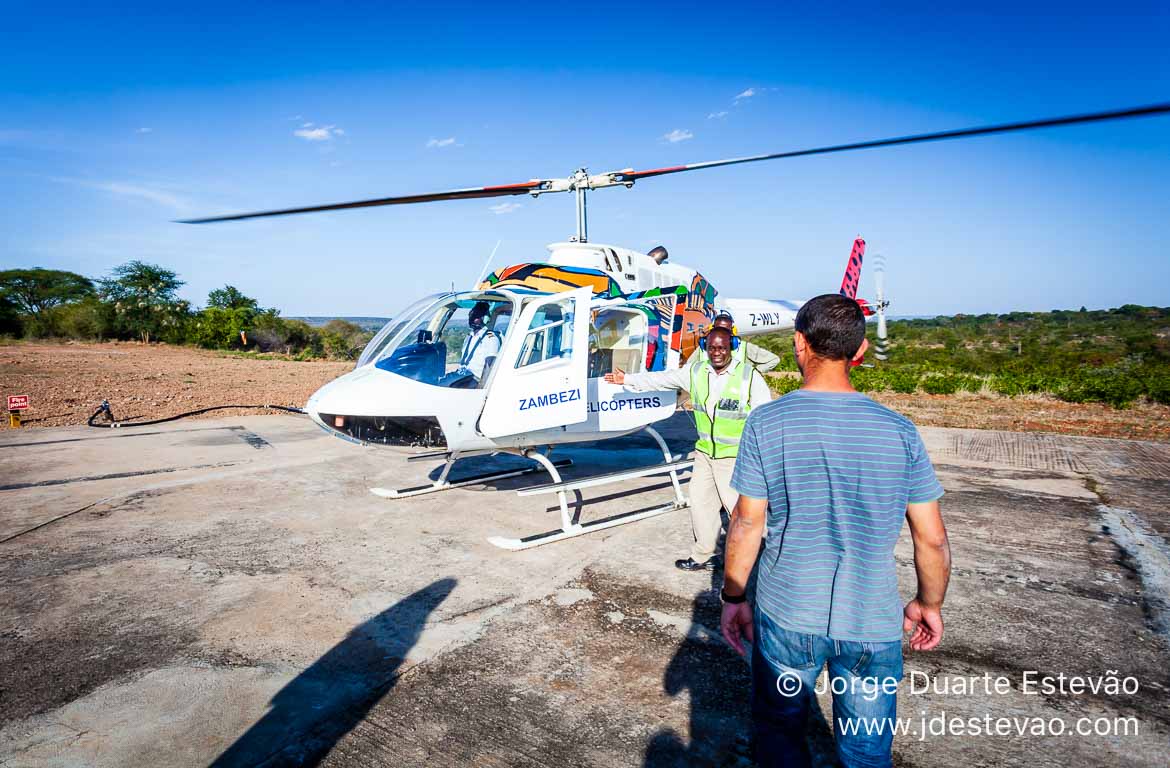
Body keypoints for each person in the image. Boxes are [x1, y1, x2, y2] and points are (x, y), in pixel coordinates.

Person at [719, 293, 950, 768]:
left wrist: (733, 597)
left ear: (798, 343)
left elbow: (746, 523)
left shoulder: (766, 422)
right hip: (872, 618)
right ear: (860, 353)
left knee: (780, 737)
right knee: (866, 751)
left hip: (787, 615)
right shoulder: (900, 430)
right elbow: (932, 538)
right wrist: (929, 603)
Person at [605, 322, 771, 571]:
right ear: (705, 347)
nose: (717, 352)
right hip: (705, 454)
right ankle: (704, 554)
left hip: (735, 457)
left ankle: (765, 553)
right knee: (701, 505)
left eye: (722, 347)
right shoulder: (695, 372)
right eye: (712, 347)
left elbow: (764, 417)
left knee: (742, 513)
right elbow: (662, 379)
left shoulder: (748, 377)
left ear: (732, 348)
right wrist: (626, 379)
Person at [695, 311, 781, 373]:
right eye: (718, 330)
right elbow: (686, 369)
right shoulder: (702, 349)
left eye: (725, 331)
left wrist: (754, 373)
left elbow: (774, 359)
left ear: (733, 331)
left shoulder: (745, 348)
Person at [455, 301, 500, 383]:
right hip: (462, 375)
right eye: (471, 316)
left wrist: (481, 386)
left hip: (475, 379)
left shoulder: (491, 339)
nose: (472, 319)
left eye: (476, 316)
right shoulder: (469, 337)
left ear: (485, 318)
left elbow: (490, 365)